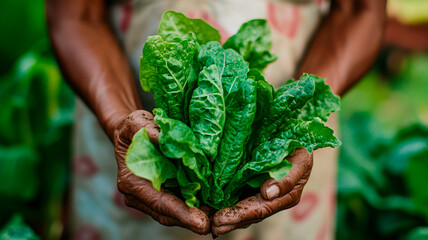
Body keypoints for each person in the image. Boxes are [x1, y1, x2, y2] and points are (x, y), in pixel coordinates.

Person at [47, 0, 385, 239]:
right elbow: (77, 14)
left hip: (290, 131)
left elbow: (359, 9)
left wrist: (291, 124)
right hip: (118, 110)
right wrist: (120, 119)